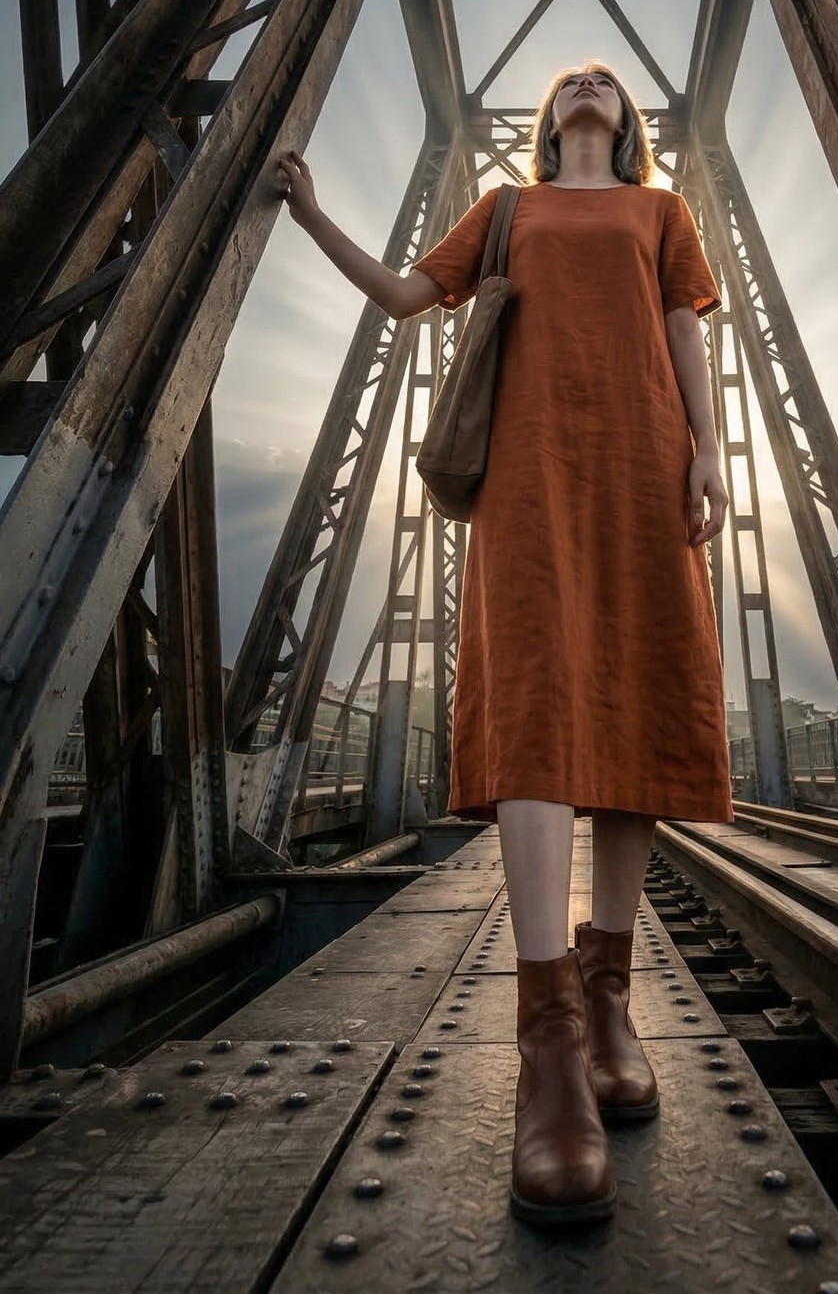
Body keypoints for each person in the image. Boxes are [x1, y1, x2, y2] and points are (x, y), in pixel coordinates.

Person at [275, 61, 732, 1226]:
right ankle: (550, 1041)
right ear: (551, 121)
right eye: (570, 78)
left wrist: (708, 451)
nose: (589, 80)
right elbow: (400, 296)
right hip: (530, 474)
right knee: (536, 704)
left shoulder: (661, 212)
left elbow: (686, 332)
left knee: (637, 700)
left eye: (608, 80)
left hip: (642, 465)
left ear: (627, 122)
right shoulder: (506, 209)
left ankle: (612, 991)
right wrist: (314, 210)